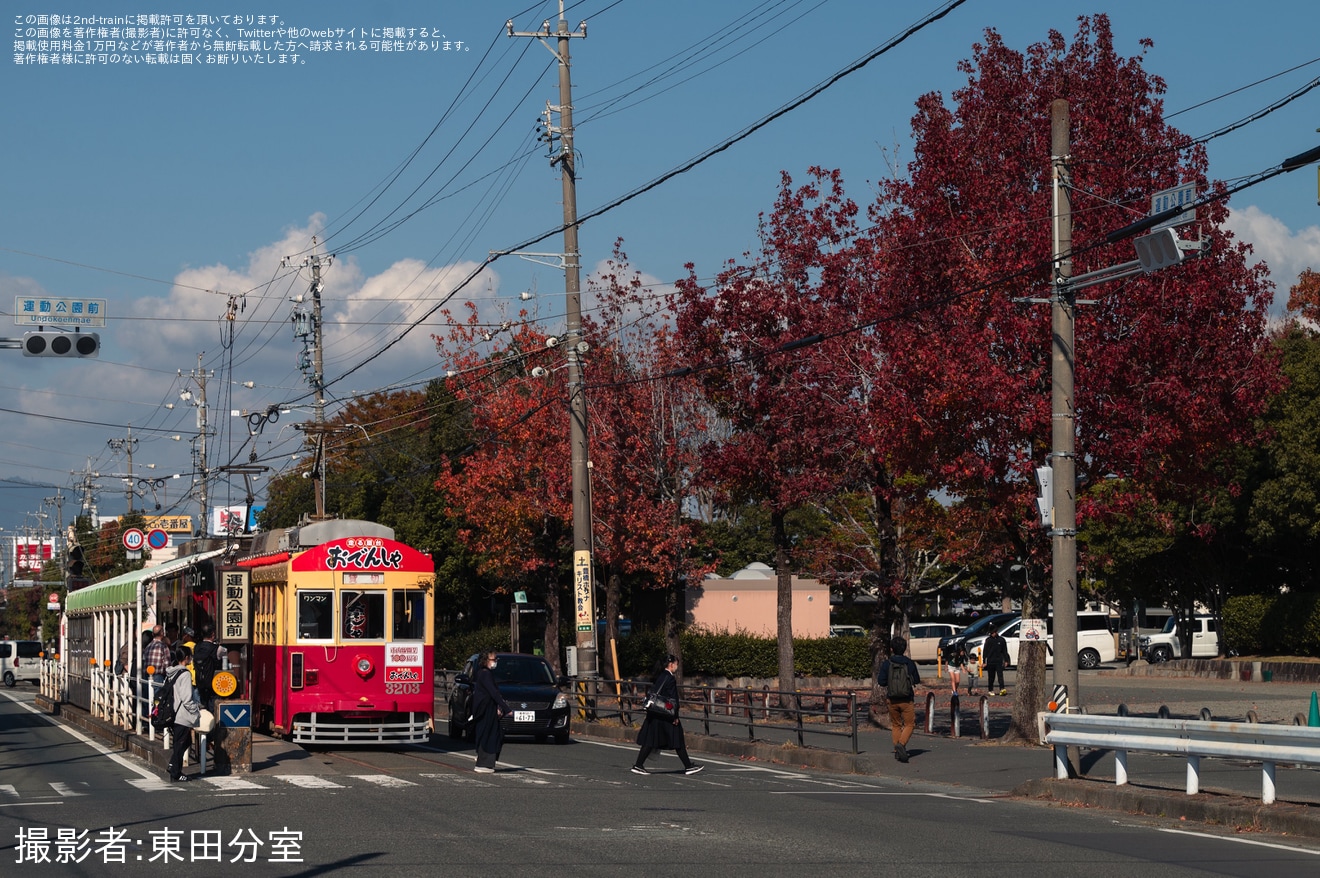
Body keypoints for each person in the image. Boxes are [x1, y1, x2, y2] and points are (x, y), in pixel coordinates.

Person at [632, 654, 703, 776]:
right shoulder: (669, 678)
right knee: (678, 739)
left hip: (655, 713)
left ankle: (638, 765)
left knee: (650, 740)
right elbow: (673, 699)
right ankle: (688, 766)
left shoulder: (661, 676)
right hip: (666, 715)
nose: (677, 667)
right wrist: (675, 716)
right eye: (676, 664)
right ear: (671, 664)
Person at [878, 636, 921, 763]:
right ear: (905, 648)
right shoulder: (909, 663)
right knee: (910, 724)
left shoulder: (887, 664)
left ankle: (897, 750)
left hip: (892, 699)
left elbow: (881, 682)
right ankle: (901, 744)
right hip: (907, 699)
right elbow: (917, 680)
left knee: (896, 725)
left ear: (891, 649)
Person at [165, 645, 201, 782]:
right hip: (182, 714)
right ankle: (175, 772)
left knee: (183, 742)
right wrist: (196, 711)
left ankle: (173, 766)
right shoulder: (185, 674)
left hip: (173, 712)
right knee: (181, 743)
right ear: (186, 658)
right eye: (190, 656)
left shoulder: (171, 672)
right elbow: (186, 698)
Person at [471, 651, 510, 773]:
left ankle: (485, 761)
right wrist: (506, 708)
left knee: (490, 734)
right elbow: (494, 692)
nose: (495, 662)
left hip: (486, 708)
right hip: (486, 709)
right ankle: (483, 764)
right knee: (490, 735)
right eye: (494, 659)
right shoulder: (485, 674)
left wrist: (499, 707)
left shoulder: (482, 673)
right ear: (485, 660)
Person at [983, 627, 1009, 696]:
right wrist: (984, 661)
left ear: (996, 632)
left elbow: (1004, 651)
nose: (992, 634)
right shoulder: (988, 640)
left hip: (999, 660)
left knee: (1000, 675)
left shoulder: (1001, 640)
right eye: (991, 633)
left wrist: (1006, 660)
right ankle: (990, 689)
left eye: (993, 632)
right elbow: (985, 651)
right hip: (990, 661)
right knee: (991, 677)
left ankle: (1002, 688)